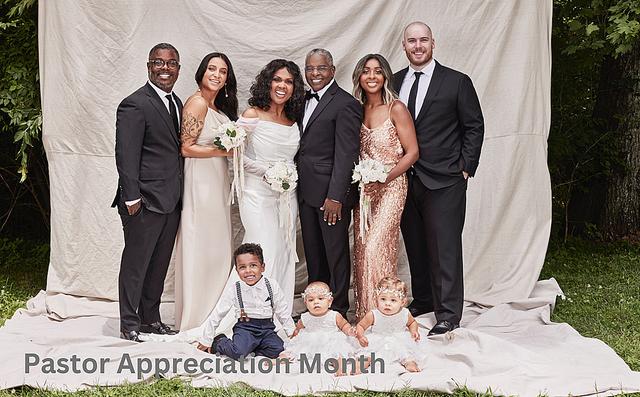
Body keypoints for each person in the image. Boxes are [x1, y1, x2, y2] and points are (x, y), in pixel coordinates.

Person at [393, 22, 484, 335]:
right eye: (411, 41)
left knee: (444, 246)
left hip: (445, 178)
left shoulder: (457, 82)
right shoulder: (394, 82)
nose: (417, 46)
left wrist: (465, 167)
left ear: (433, 43)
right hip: (406, 180)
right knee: (416, 244)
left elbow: (474, 126)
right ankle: (424, 300)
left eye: (423, 40)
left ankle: (448, 313)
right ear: (403, 46)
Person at [112, 43, 183, 342]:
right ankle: (129, 321)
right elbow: (125, 154)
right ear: (148, 66)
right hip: (142, 201)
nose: (165, 68)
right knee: (136, 264)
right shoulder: (135, 104)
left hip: (171, 200)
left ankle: (150, 319)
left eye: (171, 63)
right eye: (158, 62)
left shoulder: (177, 103)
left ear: (178, 68)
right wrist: (132, 199)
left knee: (158, 264)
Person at [351, 54, 418, 320]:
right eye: (366, 71)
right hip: (364, 191)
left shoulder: (396, 108)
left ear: (385, 76)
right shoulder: (356, 109)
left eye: (377, 71)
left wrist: (385, 178)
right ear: (359, 76)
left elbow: (412, 152)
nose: (371, 76)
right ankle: (364, 313)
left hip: (391, 186)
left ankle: (384, 313)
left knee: (378, 247)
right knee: (362, 248)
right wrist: (366, 180)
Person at [174, 52, 238, 331]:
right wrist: (222, 150)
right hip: (200, 181)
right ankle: (196, 316)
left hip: (217, 179)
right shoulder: (197, 102)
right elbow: (186, 147)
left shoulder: (218, 108)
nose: (216, 74)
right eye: (212, 68)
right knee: (201, 242)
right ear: (201, 72)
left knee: (217, 247)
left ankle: (214, 313)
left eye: (222, 71)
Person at [296, 49, 362, 319]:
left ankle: (339, 308)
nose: (315, 74)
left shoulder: (345, 103)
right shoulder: (301, 100)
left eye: (321, 68)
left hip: (330, 195)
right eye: (310, 69)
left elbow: (346, 153)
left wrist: (336, 196)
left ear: (333, 71)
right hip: (306, 191)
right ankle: (317, 306)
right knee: (313, 251)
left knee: (335, 253)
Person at [236, 59, 305, 315]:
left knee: (284, 249)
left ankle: (278, 314)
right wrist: (266, 172)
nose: (282, 86)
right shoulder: (252, 114)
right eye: (277, 79)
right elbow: (234, 155)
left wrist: (284, 177)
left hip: (286, 195)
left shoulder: (293, 119)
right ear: (268, 82)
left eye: (288, 81)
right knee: (261, 246)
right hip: (256, 192)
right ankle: (248, 312)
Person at [197, 243, 296, 359]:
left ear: (262, 267)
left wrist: (291, 332)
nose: (248, 271)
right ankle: (219, 342)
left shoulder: (271, 285)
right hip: (245, 328)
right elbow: (217, 314)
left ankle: (254, 347)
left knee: (278, 350)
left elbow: (282, 310)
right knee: (238, 353)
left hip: (267, 329)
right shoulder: (235, 289)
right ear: (237, 270)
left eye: (253, 265)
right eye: (242, 267)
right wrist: (206, 339)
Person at [282, 281, 357, 374]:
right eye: (311, 300)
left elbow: (344, 325)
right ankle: (280, 359)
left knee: (338, 353)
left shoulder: (334, 315)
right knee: (293, 352)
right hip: (311, 342)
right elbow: (298, 330)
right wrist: (293, 337)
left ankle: (340, 368)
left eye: (321, 298)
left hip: (331, 341)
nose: (316, 302)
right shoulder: (305, 317)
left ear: (329, 301)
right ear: (305, 303)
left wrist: (350, 331)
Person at [355, 276, 422, 373]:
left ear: (402, 302)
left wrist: (414, 331)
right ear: (376, 299)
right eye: (383, 299)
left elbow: (412, 322)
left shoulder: (405, 313)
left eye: (393, 300)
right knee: (368, 353)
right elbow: (360, 326)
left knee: (405, 352)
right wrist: (361, 336)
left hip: (399, 338)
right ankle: (360, 365)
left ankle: (409, 363)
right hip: (378, 338)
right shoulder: (373, 314)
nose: (387, 304)